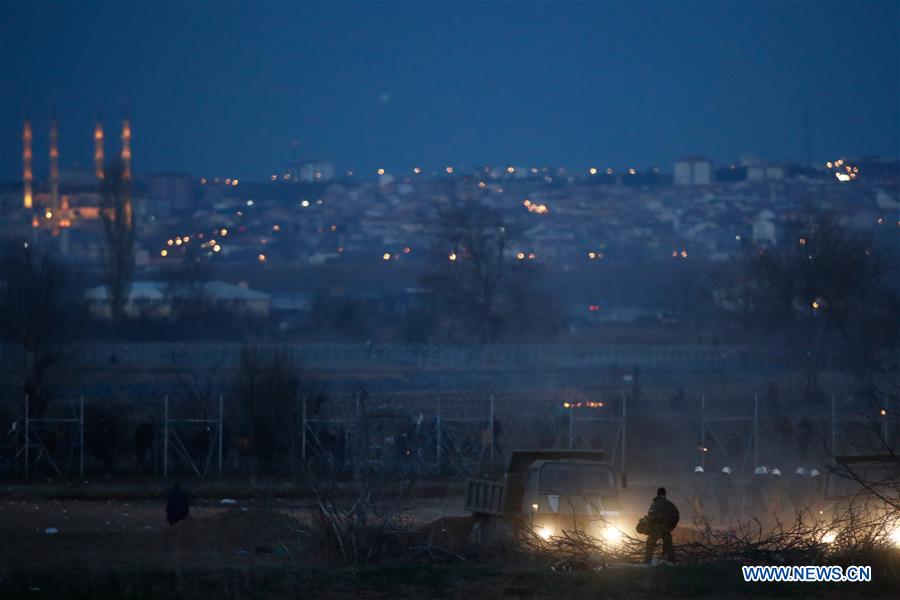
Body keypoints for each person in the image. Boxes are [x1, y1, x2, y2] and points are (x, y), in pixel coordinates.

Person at [644, 487, 680, 564]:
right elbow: (677, 516)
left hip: (657, 528)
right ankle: (672, 562)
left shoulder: (655, 504)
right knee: (669, 545)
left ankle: (647, 562)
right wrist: (671, 527)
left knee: (650, 543)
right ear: (665, 494)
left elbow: (651, 517)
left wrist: (648, 527)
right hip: (667, 528)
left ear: (657, 494)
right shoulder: (670, 504)